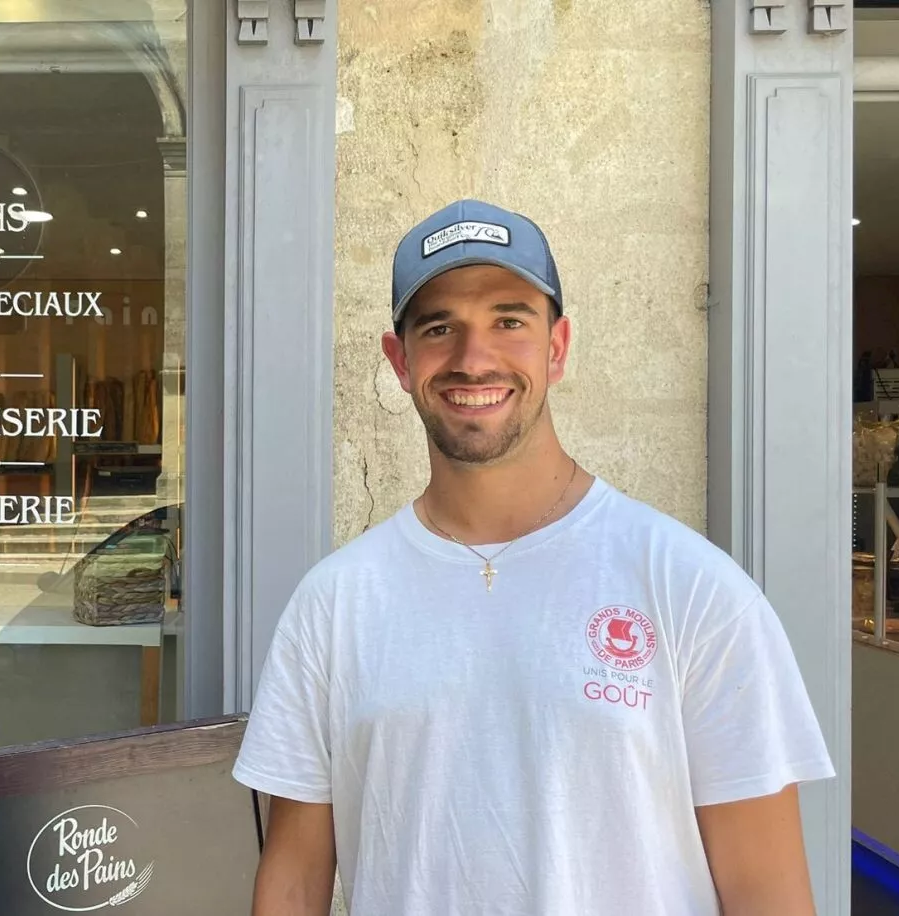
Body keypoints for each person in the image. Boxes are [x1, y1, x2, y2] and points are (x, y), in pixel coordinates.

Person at [232, 199, 836, 915]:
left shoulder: (692, 588)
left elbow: (767, 891)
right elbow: (295, 877)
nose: (473, 358)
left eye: (509, 321)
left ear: (557, 347)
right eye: (438, 327)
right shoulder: (333, 604)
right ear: (399, 361)